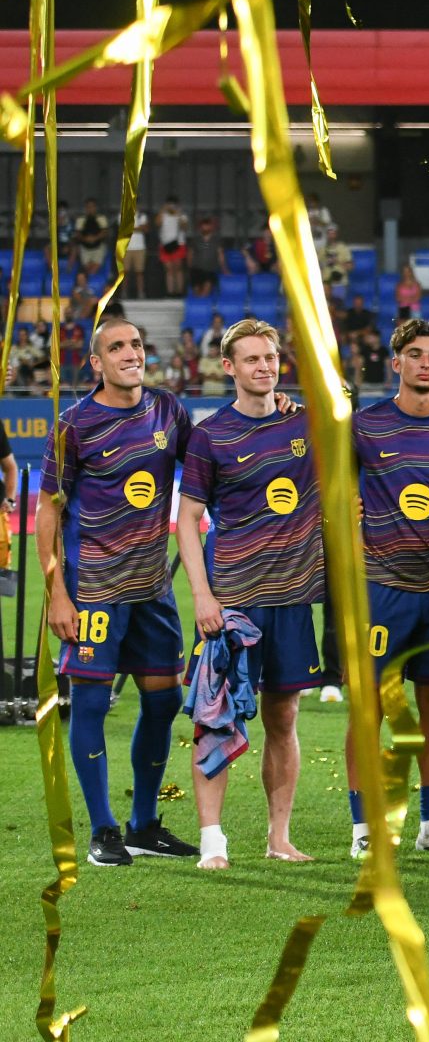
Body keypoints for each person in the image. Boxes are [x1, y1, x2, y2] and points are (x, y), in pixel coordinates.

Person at [43, 318, 199, 866]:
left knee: (164, 700)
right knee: (90, 701)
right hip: (94, 589)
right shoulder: (74, 425)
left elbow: (209, 465)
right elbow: (48, 512)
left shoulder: (168, 409)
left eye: (135, 344)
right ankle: (103, 830)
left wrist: (274, 410)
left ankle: (144, 825)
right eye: (117, 347)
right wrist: (56, 593)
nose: (131, 353)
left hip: (152, 587)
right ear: (97, 362)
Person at [173, 320, 323, 867]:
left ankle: (278, 837)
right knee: (214, 718)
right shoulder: (210, 436)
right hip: (233, 602)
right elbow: (187, 519)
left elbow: (364, 422)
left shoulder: (304, 423)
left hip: (292, 601)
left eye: (270, 358)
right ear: (229, 367)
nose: (264, 367)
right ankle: (212, 841)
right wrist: (202, 596)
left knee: (284, 721)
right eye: (252, 359)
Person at [349, 319, 429, 857]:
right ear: (395, 362)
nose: (425, 363)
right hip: (381, 589)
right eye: (415, 354)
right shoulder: (365, 426)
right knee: (368, 709)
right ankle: (364, 828)